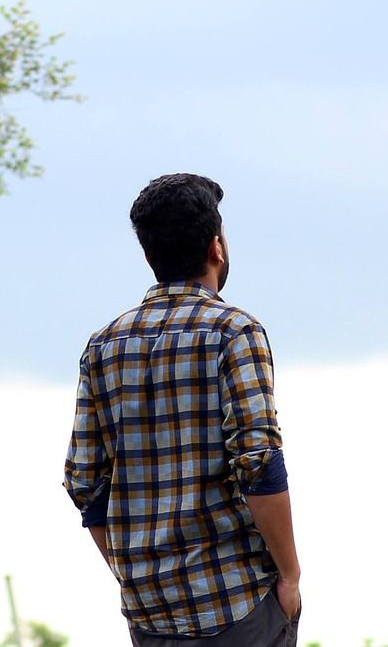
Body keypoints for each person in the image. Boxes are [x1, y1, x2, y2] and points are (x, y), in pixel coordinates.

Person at [63, 173, 301, 646]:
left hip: (149, 615)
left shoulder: (104, 345)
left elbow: (85, 483)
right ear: (217, 248)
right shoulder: (234, 332)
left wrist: (138, 577)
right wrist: (290, 576)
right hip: (238, 603)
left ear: (150, 255)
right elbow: (257, 461)